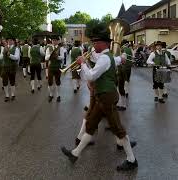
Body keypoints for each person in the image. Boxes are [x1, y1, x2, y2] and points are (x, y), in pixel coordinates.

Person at [61, 23, 138, 171]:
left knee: (118, 129)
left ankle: (131, 160)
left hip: (107, 97)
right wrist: (120, 59)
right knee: (90, 126)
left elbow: (91, 75)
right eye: (94, 42)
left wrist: (83, 63)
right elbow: (100, 69)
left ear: (104, 44)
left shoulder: (104, 58)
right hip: (101, 97)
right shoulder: (106, 57)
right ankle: (75, 153)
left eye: (96, 42)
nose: (94, 44)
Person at [45, 35, 65, 102]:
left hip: (57, 67)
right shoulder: (49, 48)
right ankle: (51, 95)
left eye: (56, 40)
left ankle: (58, 95)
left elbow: (62, 57)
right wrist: (50, 55)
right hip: (50, 67)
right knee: (50, 82)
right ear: (52, 41)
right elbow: (46, 58)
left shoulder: (61, 48)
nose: (54, 42)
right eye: (53, 40)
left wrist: (57, 57)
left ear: (58, 41)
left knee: (58, 82)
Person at [2, 38, 20, 102]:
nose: (9, 41)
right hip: (5, 67)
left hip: (12, 67)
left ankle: (13, 95)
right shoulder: (4, 48)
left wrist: (9, 55)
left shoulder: (16, 48)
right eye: (8, 40)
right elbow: (1, 57)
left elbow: (16, 57)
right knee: (4, 81)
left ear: (13, 41)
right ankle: (7, 95)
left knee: (12, 81)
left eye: (11, 40)